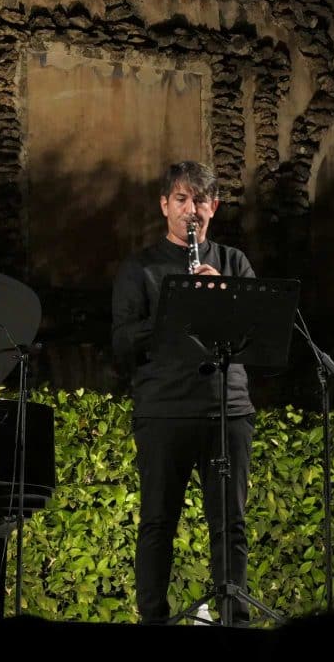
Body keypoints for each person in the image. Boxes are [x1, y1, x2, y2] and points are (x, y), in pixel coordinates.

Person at [111, 161, 257, 625]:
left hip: (226, 409)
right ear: (164, 205)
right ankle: (153, 620)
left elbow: (259, 334)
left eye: (199, 200)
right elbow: (122, 342)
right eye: (180, 199)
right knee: (157, 523)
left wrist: (223, 295)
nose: (190, 210)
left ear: (213, 208)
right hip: (165, 411)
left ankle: (235, 620)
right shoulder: (140, 268)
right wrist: (180, 303)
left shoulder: (234, 263)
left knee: (230, 525)